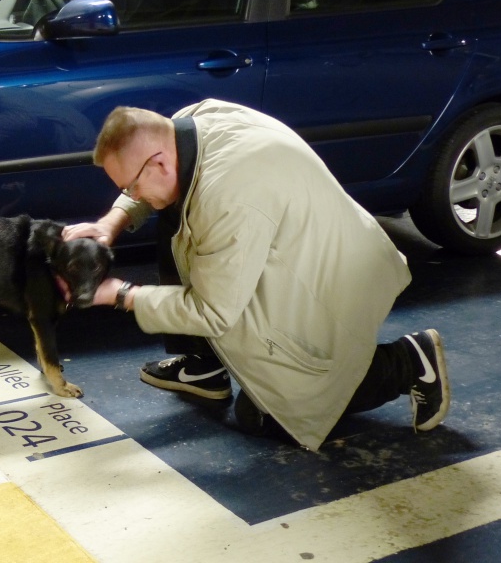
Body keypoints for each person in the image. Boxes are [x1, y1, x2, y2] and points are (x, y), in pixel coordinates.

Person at [62, 99, 450, 451]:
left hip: (326, 284)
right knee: (173, 210)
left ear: (160, 163)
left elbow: (212, 311)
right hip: (312, 244)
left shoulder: (227, 196)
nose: (132, 193)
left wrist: (119, 293)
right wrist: (112, 222)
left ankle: (408, 360)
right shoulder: (189, 123)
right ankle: (205, 364)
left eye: (131, 185)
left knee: (266, 414)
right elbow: (153, 186)